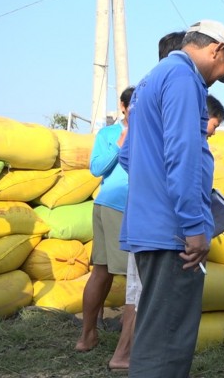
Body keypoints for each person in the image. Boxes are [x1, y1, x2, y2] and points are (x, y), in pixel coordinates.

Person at [119, 19, 224, 377]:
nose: (217, 79)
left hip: (148, 228)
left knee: (154, 334)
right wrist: (192, 225)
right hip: (174, 236)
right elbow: (184, 152)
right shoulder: (185, 79)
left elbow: (129, 157)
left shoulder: (149, 81)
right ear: (216, 50)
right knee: (169, 344)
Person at [73, 86, 135, 370]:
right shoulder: (109, 134)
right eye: (132, 106)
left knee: (108, 273)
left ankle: (93, 336)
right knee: (124, 276)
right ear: (122, 106)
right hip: (115, 206)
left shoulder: (150, 128)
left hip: (125, 206)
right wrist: (121, 141)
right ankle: (94, 338)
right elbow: (97, 168)